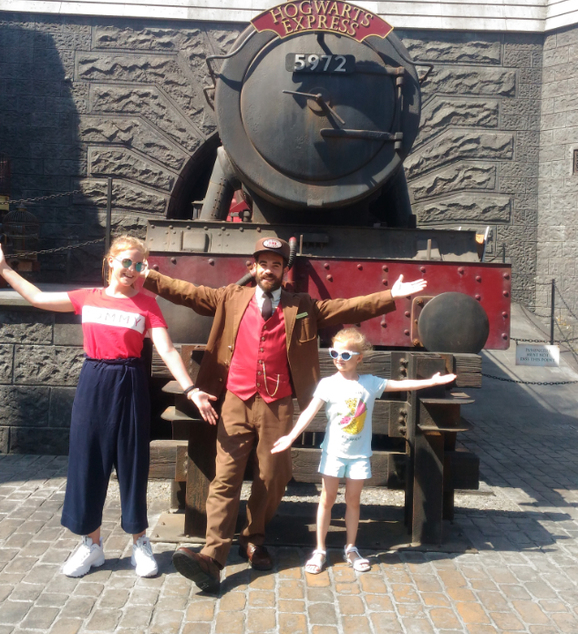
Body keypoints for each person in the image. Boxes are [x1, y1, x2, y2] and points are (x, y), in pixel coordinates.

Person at [142, 236, 428, 593]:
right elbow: (188, 292)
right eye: (263, 263)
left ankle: (253, 539)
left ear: (283, 270)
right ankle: (212, 557)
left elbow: (346, 308)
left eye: (276, 264)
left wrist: (390, 296)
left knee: (274, 476)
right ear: (253, 267)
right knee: (225, 478)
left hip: (276, 404)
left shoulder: (301, 305)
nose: (269, 270)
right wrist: (148, 276)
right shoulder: (231, 297)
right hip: (234, 400)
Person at [0, 235, 217, 579]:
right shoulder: (87, 298)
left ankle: (140, 542)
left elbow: (167, 349)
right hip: (94, 380)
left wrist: (191, 389)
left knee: (132, 461)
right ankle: (92, 544)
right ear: (111, 261)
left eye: (139, 265)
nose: (132, 270)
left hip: (130, 381)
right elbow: (38, 298)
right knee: (87, 460)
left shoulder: (147, 304)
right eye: (126, 262)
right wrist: (5, 269)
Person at [271, 327, 456, 574]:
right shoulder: (327, 384)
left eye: (346, 355)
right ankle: (320, 549)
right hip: (333, 453)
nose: (339, 359)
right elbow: (308, 413)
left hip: (359, 455)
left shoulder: (370, 383)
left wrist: (430, 382)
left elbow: (399, 384)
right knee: (326, 500)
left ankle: (351, 548)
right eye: (334, 353)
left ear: (359, 358)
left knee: (353, 501)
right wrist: (291, 436)